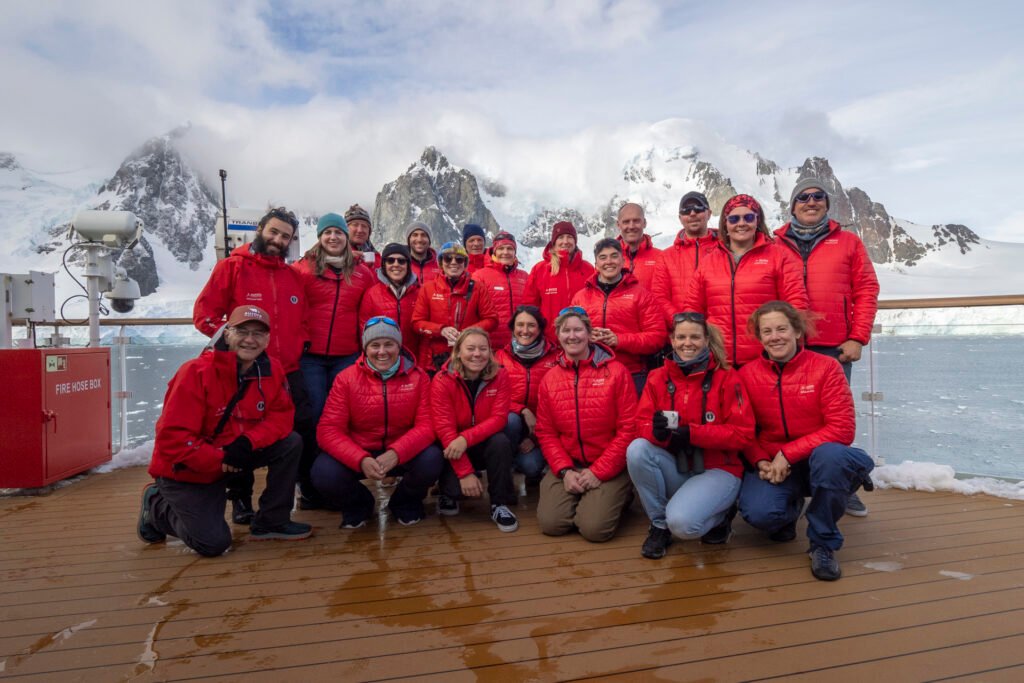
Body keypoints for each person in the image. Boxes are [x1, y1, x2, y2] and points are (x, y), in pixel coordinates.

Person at [138, 305, 312, 556]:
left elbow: (281, 416)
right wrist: (221, 460)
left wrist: (248, 443)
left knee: (291, 442)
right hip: (189, 470)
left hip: (235, 454)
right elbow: (172, 438)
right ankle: (156, 507)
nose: (250, 340)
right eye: (242, 331)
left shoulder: (271, 369)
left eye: (258, 333)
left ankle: (272, 520)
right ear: (227, 333)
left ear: (268, 340)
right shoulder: (195, 372)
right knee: (213, 543)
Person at [737, 301, 875, 581]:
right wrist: (760, 460)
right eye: (767, 331)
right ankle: (788, 512)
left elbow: (842, 428)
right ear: (759, 337)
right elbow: (744, 430)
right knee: (761, 514)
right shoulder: (747, 375)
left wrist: (787, 454)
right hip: (776, 464)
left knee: (832, 457)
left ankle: (823, 542)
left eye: (781, 329)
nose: (775, 337)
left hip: (818, 460)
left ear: (797, 331)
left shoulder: (826, 368)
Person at [192, 206, 312, 523]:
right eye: (273, 232)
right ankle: (241, 500)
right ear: (260, 230)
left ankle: (284, 500)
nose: (278, 239)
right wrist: (235, 343)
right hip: (242, 369)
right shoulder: (231, 268)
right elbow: (204, 315)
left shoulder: (293, 277)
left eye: (285, 236)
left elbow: (303, 320)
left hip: (286, 370)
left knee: (299, 429)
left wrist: (300, 343)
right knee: (237, 430)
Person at [774, 178, 881, 517]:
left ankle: (840, 484)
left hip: (833, 347)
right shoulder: (773, 245)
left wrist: (857, 336)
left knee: (833, 419)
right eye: (803, 197)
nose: (811, 202)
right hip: (785, 345)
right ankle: (787, 483)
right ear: (792, 206)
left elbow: (867, 289)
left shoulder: (848, 242)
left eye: (818, 196)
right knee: (783, 416)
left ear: (827, 204)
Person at [625, 313, 754, 559]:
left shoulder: (728, 377)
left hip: (718, 468)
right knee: (637, 449)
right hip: (679, 464)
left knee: (684, 525)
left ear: (706, 340)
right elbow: (639, 424)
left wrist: (694, 434)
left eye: (695, 337)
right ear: (672, 341)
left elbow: (743, 434)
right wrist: (656, 432)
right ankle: (659, 525)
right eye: (681, 337)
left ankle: (721, 515)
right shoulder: (657, 377)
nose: (688, 343)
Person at [311, 317, 442, 528]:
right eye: (375, 345)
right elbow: (328, 429)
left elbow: (427, 426)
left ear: (399, 346)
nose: (382, 351)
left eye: (389, 344)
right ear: (365, 348)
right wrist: (360, 458)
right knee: (324, 472)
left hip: (402, 451)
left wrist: (397, 452)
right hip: (361, 450)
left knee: (432, 458)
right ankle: (359, 504)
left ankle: (405, 502)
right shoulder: (346, 378)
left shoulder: (419, 378)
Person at [535, 307, 638, 542]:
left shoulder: (617, 373)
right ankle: (588, 498)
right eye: (565, 330)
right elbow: (546, 432)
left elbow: (629, 428)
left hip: (607, 463)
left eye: (578, 330)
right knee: (552, 524)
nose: (572, 336)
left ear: (589, 334)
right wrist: (564, 471)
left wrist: (598, 471)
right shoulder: (550, 379)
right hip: (569, 463)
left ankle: (618, 495)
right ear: (558, 336)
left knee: (594, 530)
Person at [683, 194, 808, 366]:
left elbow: (796, 304)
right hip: (719, 361)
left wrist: (786, 350)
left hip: (767, 359)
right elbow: (693, 310)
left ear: (757, 221)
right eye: (734, 219)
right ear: (725, 224)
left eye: (748, 217)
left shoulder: (779, 256)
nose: (741, 223)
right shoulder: (708, 262)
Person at [430, 328, 519, 532]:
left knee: (500, 441)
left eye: (483, 348)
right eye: (470, 348)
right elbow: (444, 429)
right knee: (456, 491)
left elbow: (499, 419)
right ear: (458, 352)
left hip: (477, 441)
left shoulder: (500, 375)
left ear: (490, 352)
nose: (477, 354)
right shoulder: (442, 380)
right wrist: (465, 474)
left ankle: (499, 504)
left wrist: (465, 439)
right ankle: (447, 491)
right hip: (452, 447)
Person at [292, 212, 374, 423]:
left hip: (347, 354)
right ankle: (316, 454)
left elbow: (371, 309)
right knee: (315, 410)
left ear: (346, 237)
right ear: (320, 237)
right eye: (327, 232)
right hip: (311, 356)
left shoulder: (362, 273)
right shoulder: (303, 269)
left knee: (344, 410)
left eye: (338, 232)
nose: (333, 237)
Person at [571, 238, 666, 395]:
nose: (609, 261)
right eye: (603, 257)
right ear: (596, 265)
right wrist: (586, 337)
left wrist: (619, 340)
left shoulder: (641, 295)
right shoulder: (580, 298)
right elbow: (568, 333)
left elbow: (657, 338)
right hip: (591, 373)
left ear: (623, 261)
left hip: (632, 373)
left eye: (614, 256)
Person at [494, 305, 560, 487]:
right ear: (513, 328)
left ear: (540, 329)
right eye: (519, 325)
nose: (525, 330)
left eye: (531, 325)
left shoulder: (556, 357)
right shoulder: (500, 357)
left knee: (531, 466)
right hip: (509, 426)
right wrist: (522, 410)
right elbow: (493, 398)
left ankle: (531, 462)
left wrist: (534, 438)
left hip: (541, 430)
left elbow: (560, 405)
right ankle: (503, 474)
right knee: (511, 419)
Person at [411, 241, 498, 372]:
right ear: (440, 263)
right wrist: (440, 330)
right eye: (447, 258)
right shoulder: (428, 289)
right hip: (434, 360)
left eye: (459, 259)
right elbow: (416, 323)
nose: (453, 262)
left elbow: (492, 320)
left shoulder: (478, 288)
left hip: (468, 359)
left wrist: (467, 333)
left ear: (465, 264)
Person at [522, 220, 595, 339]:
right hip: (549, 341)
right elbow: (529, 307)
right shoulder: (540, 270)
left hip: (581, 341)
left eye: (569, 237)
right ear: (554, 242)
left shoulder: (588, 269)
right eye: (561, 237)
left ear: (575, 241)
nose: (565, 241)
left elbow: (595, 303)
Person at [652, 191, 718, 315]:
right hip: (684, 331)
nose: (692, 213)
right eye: (686, 210)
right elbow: (659, 297)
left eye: (698, 209)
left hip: (720, 331)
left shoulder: (725, 249)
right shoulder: (666, 257)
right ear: (680, 218)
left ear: (709, 214)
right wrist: (680, 323)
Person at [359, 242, 422, 361]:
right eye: (390, 260)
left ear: (408, 265)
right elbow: (364, 331)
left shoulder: (420, 293)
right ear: (383, 264)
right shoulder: (371, 294)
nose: (396, 264)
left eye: (401, 261)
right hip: (381, 360)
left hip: (413, 360)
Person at [472, 231, 529, 350]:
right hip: (490, 347)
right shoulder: (480, 276)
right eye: (501, 248)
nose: (505, 252)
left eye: (510, 248)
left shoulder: (524, 277)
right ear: (494, 251)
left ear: (515, 252)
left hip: (521, 346)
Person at [616, 202, 662, 291]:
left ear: (644, 223)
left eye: (636, 221)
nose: (631, 226)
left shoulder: (661, 258)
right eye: (626, 222)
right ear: (618, 225)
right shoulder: (607, 260)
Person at [345, 204, 381, 270]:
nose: (360, 230)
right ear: (345, 229)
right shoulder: (336, 257)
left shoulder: (378, 258)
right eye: (355, 225)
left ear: (369, 231)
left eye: (364, 226)